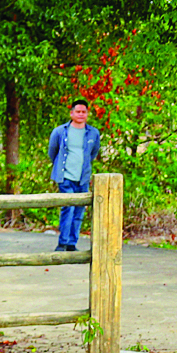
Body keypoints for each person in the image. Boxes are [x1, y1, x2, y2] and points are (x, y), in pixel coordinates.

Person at [48, 98, 101, 252]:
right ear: (71, 113)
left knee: (79, 211)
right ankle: (62, 242)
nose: (80, 114)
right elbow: (53, 152)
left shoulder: (93, 133)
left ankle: (72, 242)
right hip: (65, 177)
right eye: (77, 111)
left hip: (83, 178)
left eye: (83, 112)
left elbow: (93, 153)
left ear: (87, 114)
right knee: (68, 208)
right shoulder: (60, 131)